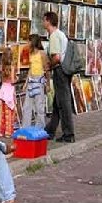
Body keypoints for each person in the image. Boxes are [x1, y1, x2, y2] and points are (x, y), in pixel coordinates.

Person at [43, 11, 75, 143]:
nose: (43, 23)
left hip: (60, 71)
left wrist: (49, 66)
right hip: (65, 71)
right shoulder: (61, 34)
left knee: (64, 103)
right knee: (58, 103)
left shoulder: (54, 36)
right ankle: (50, 130)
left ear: (48, 21)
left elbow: (56, 57)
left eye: (44, 20)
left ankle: (68, 134)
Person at [21, 34, 49, 129]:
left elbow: (46, 69)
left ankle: (40, 127)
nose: (27, 43)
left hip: (39, 82)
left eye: (29, 41)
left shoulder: (42, 54)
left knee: (39, 106)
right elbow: (30, 68)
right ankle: (25, 127)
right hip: (31, 81)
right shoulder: (31, 54)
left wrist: (47, 84)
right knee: (27, 106)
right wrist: (26, 83)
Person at [0, 49, 16, 138]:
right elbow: (12, 80)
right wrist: (17, 79)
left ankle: (1, 131)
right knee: (9, 113)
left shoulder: (1, 67)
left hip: (3, 89)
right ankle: (8, 132)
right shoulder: (12, 67)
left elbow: (2, 79)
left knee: (2, 113)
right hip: (9, 89)